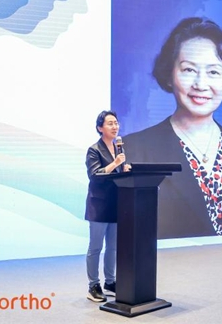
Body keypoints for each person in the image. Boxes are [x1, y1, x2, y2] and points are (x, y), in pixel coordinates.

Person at [123, 17, 222, 239]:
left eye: (214, 72)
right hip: (171, 262)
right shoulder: (135, 148)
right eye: (189, 70)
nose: (200, 84)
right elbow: (128, 235)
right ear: (170, 75)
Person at [84, 110, 131, 302]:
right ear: (100, 128)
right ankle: (93, 285)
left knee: (113, 247)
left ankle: (110, 282)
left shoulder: (118, 150)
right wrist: (116, 163)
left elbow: (116, 176)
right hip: (99, 205)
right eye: (110, 123)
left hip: (116, 204)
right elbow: (95, 175)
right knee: (96, 247)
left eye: (116, 123)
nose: (115, 126)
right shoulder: (94, 150)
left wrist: (125, 169)